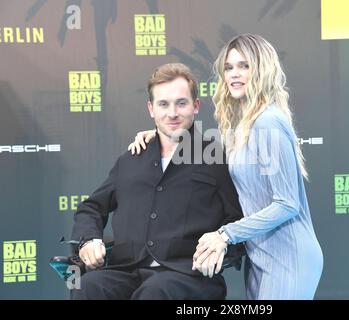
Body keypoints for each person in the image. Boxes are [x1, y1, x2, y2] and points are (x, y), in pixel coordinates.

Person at [128, 34, 323, 299]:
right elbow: (208, 149)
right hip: (260, 257)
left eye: (244, 66)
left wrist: (225, 234)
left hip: (288, 256)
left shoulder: (267, 121)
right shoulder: (243, 125)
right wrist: (161, 136)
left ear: (261, 69)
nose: (234, 74)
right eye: (229, 68)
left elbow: (287, 203)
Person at [71, 63, 244, 300]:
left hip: (188, 276)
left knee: (156, 291)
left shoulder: (216, 158)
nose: (172, 113)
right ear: (151, 109)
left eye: (181, 103)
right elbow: (91, 207)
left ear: (195, 106)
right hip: (128, 269)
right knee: (86, 285)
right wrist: (89, 240)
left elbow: (238, 218)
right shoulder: (130, 159)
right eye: (163, 104)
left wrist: (222, 246)